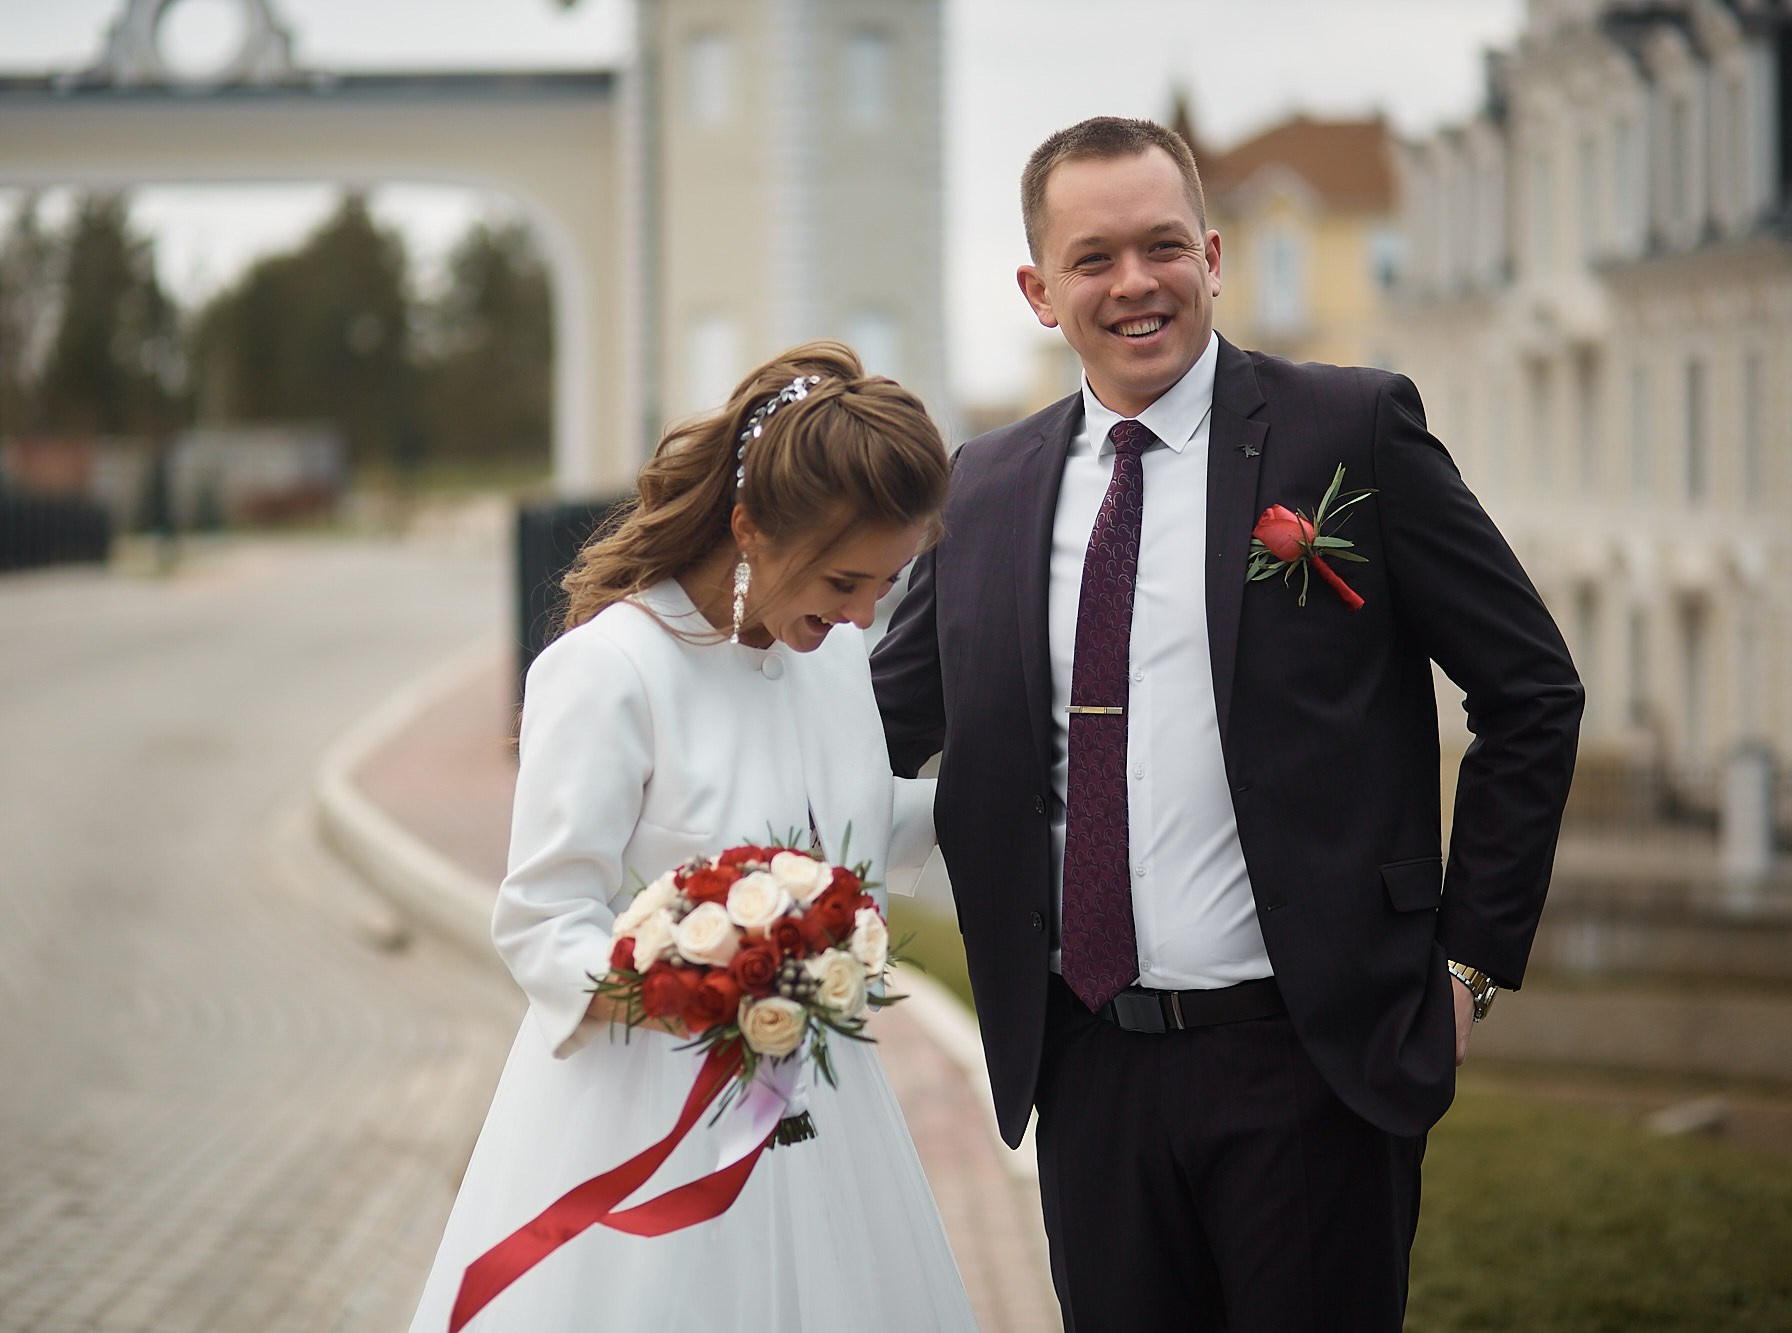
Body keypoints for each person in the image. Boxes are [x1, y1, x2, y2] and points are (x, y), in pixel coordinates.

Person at [870, 117, 1584, 1331]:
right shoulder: (980, 487)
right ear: (1038, 292)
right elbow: (872, 725)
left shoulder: (1349, 431)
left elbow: (1529, 690)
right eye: (1093, 259)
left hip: (1310, 1063)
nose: (1133, 282)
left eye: (1161, 246)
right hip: (1085, 1070)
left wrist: (1467, 965)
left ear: (1210, 256)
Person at [408, 341, 979, 1331]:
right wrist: (692, 986)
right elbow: (542, 918)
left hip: (821, 1101)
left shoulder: (831, 657)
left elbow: (842, 836)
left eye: (885, 584)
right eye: (844, 579)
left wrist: (999, 798)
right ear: (750, 527)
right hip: (648, 1112)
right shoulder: (610, 670)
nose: (862, 616)